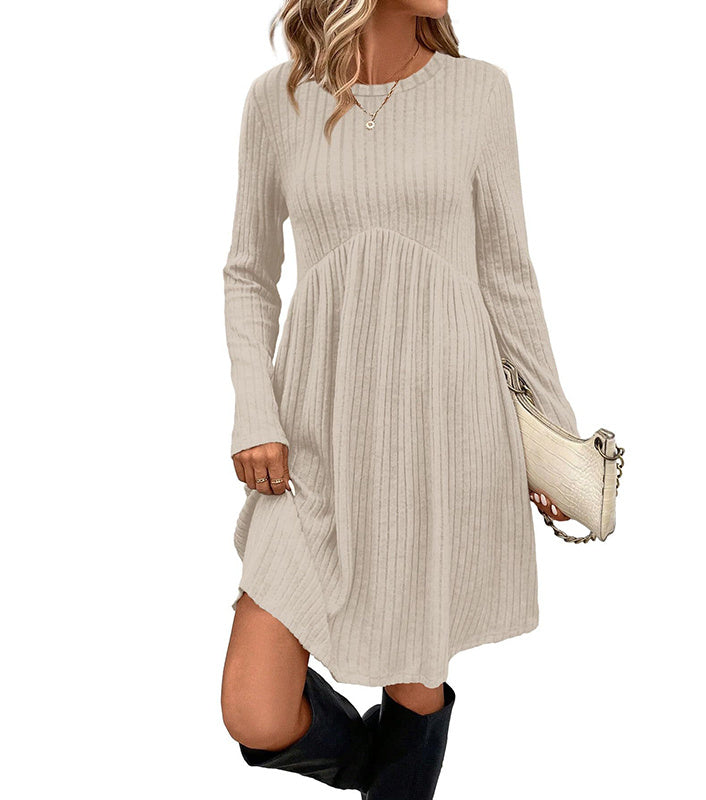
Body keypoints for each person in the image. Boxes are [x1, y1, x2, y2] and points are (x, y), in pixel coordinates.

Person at [219, 2, 579, 798]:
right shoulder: (277, 99)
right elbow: (248, 273)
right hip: (313, 435)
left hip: (442, 429)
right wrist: (254, 412)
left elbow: (507, 276)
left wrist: (555, 439)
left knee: (413, 680)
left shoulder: (480, 92)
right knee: (256, 709)